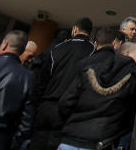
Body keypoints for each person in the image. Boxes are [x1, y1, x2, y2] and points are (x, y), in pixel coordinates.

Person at [57, 29, 136, 150]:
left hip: (72, 138)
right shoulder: (132, 75)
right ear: (115, 43)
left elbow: (66, 102)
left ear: (95, 44)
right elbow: (132, 112)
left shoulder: (87, 66)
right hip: (102, 140)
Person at [28, 18, 95, 150]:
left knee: (37, 143)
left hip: (46, 106)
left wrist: (37, 102)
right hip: (69, 109)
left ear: (74, 29)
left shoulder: (57, 48)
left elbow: (43, 79)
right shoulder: (92, 51)